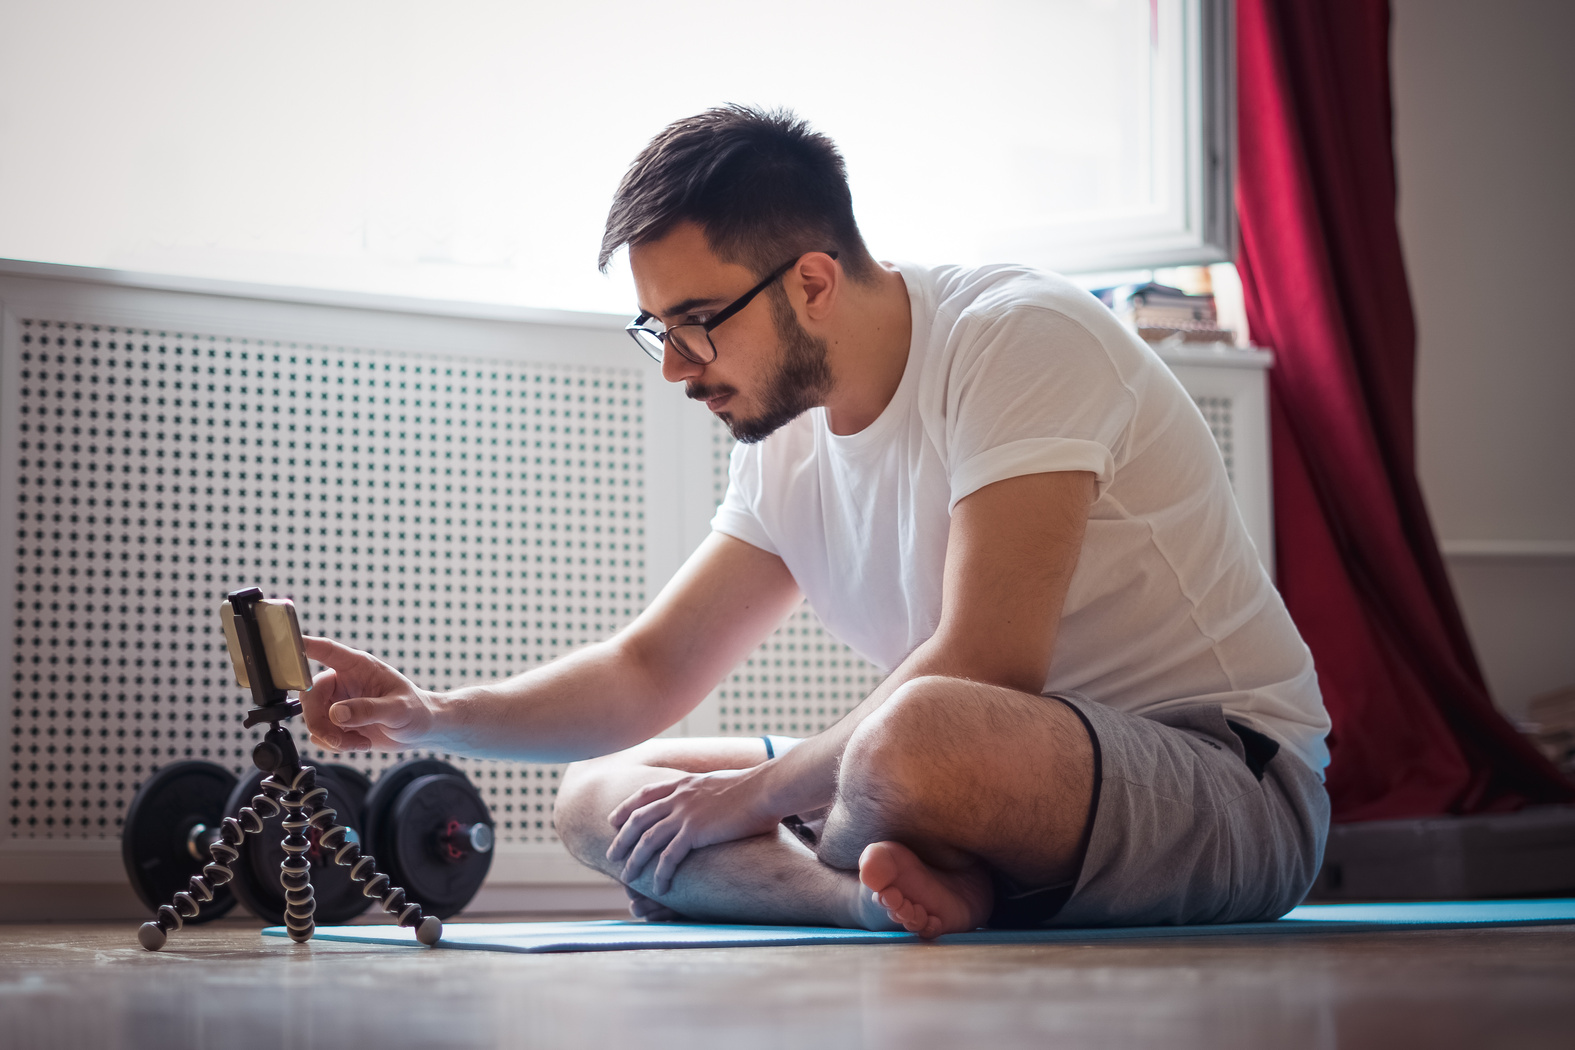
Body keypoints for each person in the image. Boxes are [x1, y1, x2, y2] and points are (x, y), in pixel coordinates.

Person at [300, 105, 1331, 938]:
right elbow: (648, 671)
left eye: (697, 323)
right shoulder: (786, 437)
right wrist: (433, 714)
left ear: (813, 280)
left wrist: (749, 805)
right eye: (657, 329)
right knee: (597, 796)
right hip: (957, 766)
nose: (673, 366)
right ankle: (875, 903)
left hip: (1221, 777)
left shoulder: (1019, 337)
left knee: (908, 740)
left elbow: (987, 662)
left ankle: (855, 867)